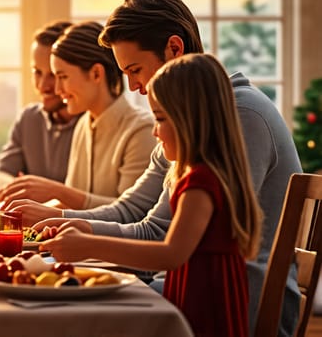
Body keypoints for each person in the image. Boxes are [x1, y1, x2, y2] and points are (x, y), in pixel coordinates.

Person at [7, 0, 300, 337]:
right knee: (55, 295)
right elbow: (134, 211)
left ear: (174, 49)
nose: (134, 87)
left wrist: (84, 238)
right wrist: (61, 220)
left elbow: (167, 239)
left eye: (135, 69)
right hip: (181, 283)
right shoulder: (184, 120)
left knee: (64, 307)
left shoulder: (237, 115)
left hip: (236, 302)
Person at [42, 53, 263, 337]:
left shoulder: (200, 183)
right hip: (198, 301)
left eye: (160, 119)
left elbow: (171, 254)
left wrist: (90, 246)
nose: (155, 133)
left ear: (190, 120)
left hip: (204, 312)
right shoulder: (204, 175)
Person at [0, 21, 155, 209]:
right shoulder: (83, 125)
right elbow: (70, 206)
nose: (57, 89)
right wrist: (22, 212)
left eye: (63, 77)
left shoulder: (141, 131)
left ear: (96, 74)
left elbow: (131, 213)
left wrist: (56, 190)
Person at [0, 21, 82, 204]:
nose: (43, 86)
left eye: (54, 74)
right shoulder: (29, 119)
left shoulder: (92, 125)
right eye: (37, 72)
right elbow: (0, 178)